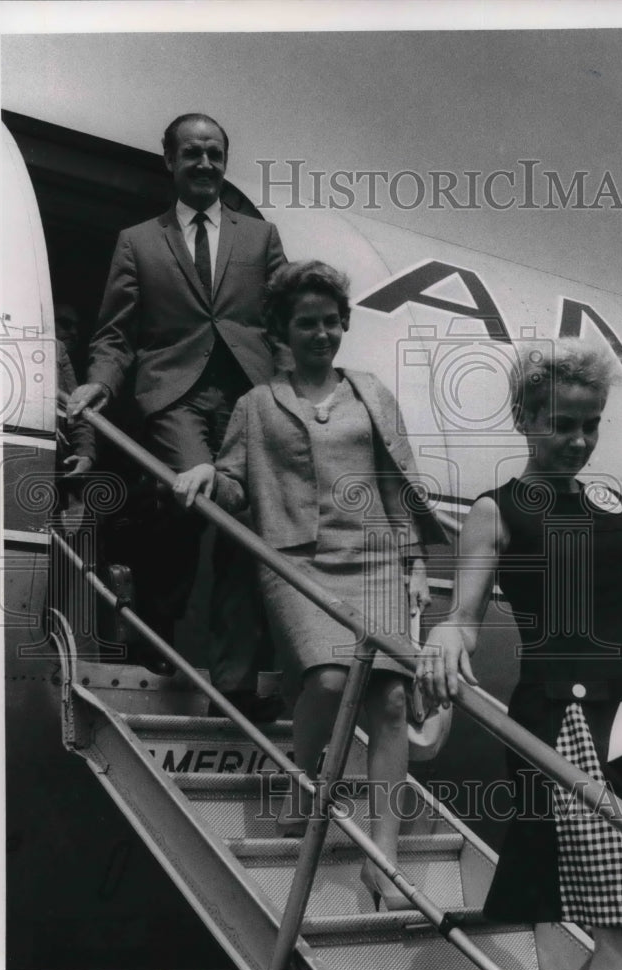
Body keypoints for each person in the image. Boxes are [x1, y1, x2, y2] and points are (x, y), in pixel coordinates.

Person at [420, 338, 622, 970]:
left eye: (592, 425)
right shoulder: (495, 511)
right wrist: (444, 635)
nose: (580, 441)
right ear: (524, 419)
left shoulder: (611, 507)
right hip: (567, 725)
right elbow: (464, 617)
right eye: (563, 425)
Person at [173, 261, 445, 910]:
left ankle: (383, 856)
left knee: (385, 703)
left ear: (344, 325)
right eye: (306, 323)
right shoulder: (256, 405)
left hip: (375, 557)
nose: (321, 333)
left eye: (331, 321)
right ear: (281, 332)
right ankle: (304, 781)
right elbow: (238, 485)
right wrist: (209, 475)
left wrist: (414, 562)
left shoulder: (371, 394)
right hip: (294, 561)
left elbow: (393, 483)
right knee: (327, 679)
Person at [67, 113, 286, 718]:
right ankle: (155, 625)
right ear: (169, 161)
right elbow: (115, 337)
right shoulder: (138, 241)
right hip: (174, 398)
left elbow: (285, 320)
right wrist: (99, 387)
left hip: (249, 395)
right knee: (197, 499)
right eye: (192, 154)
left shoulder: (260, 238)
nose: (206, 165)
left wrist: (296, 393)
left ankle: (235, 687)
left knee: (244, 525)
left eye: (215, 153)